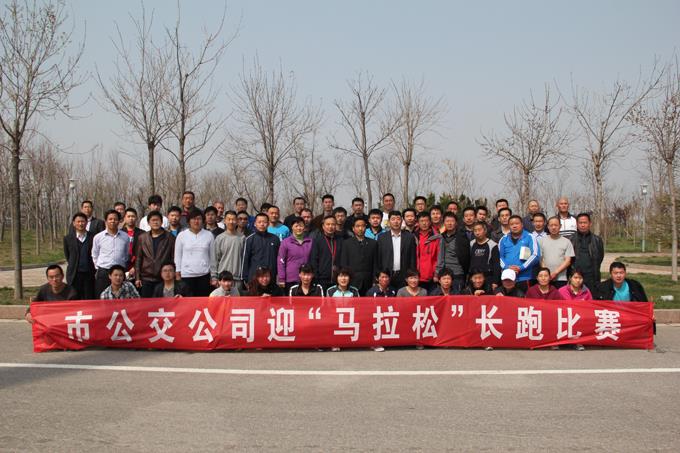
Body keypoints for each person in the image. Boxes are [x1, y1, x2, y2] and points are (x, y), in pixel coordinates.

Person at [134, 210, 176, 298]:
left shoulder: (170, 237)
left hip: (163, 277)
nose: (155, 222)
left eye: (157, 220)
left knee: (163, 304)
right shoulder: (142, 238)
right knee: (147, 304)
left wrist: (173, 275)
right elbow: (138, 258)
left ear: (161, 222)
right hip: (146, 277)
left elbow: (173, 257)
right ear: (148, 223)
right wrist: (137, 277)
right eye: (153, 220)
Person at [175, 208, 215, 297]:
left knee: (202, 302)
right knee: (187, 302)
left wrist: (213, 275)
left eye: (199, 219)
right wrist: (177, 274)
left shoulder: (209, 235)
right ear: (189, 221)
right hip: (186, 275)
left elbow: (212, 257)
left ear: (203, 221)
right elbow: (177, 256)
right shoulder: (181, 235)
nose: (196, 221)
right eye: (193, 219)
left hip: (204, 275)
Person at [92, 209, 130, 298]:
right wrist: (98, 267)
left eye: (115, 219)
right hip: (104, 272)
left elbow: (126, 254)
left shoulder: (125, 237)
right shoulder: (98, 237)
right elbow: (95, 254)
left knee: (120, 297)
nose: (113, 221)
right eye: (110, 219)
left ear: (119, 221)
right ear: (106, 221)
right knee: (102, 297)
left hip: (119, 272)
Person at [498, 215, 540, 292]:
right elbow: (499, 257)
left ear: (522, 224)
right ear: (509, 226)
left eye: (517, 223)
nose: (514, 226)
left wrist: (521, 268)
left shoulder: (530, 237)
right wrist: (507, 268)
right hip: (508, 278)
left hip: (525, 277)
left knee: (524, 299)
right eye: (512, 224)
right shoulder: (503, 239)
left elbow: (535, 255)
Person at [376, 211, 417, 289]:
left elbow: (412, 258)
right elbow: (379, 257)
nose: (396, 222)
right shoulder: (382, 237)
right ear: (389, 222)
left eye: (398, 219)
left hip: (404, 275)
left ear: (402, 221)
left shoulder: (409, 237)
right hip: (387, 275)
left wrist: (411, 275)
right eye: (393, 219)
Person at [339, 217, 377, 295]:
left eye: (363, 226)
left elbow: (375, 264)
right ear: (353, 228)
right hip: (352, 281)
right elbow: (344, 263)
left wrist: (375, 280)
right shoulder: (346, 243)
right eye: (357, 226)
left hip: (368, 281)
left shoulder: (373, 243)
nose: (360, 228)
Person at [63, 212, 96, 300]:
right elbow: (68, 255)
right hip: (74, 275)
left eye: (83, 221)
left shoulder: (93, 237)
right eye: (78, 222)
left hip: (89, 274)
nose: (80, 224)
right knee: (74, 298)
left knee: (89, 298)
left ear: (86, 223)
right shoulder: (68, 238)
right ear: (74, 223)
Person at [242, 213, 281, 286]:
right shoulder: (250, 239)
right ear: (255, 224)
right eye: (259, 222)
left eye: (264, 222)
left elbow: (279, 258)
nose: (262, 224)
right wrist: (245, 277)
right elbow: (245, 259)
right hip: (254, 277)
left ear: (268, 223)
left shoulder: (275, 239)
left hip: (270, 277)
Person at [211, 210, 246, 291]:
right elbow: (215, 259)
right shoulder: (219, 238)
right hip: (223, 279)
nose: (231, 222)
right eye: (229, 219)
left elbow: (245, 259)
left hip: (237, 279)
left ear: (237, 221)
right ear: (225, 221)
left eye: (233, 219)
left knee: (236, 299)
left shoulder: (242, 238)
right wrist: (214, 277)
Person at [436, 212, 470, 293]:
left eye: (452, 221)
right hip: (444, 274)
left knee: (457, 297)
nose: (449, 223)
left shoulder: (462, 237)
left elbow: (466, 257)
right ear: (444, 223)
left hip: (457, 273)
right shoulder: (441, 237)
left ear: (456, 223)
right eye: (447, 221)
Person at [570, 213, 604, 292]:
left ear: (590, 223)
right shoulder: (570, 239)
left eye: (585, 222)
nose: (582, 225)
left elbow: (600, 257)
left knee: (591, 297)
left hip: (592, 276)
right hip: (576, 276)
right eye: (580, 223)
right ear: (577, 224)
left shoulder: (597, 240)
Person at [277, 217, 313, 291]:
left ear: (304, 227)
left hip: (307, 279)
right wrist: (281, 278)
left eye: (301, 226)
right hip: (291, 279)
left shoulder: (310, 242)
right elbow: (281, 261)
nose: (299, 228)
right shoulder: (285, 242)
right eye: (296, 226)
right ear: (292, 227)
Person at [539, 216, 575, 288]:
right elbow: (540, 259)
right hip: (545, 278)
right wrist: (547, 273)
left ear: (560, 226)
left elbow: (568, 261)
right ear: (548, 227)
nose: (553, 227)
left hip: (561, 278)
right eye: (551, 225)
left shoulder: (566, 242)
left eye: (556, 225)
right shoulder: (542, 241)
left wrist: (556, 272)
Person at [309, 215, 343, 290]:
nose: (330, 226)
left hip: (338, 279)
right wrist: (316, 277)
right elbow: (314, 260)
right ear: (323, 226)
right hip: (322, 279)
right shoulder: (317, 241)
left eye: (333, 224)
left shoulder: (340, 240)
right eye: (328, 224)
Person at [414, 211, 441, 293]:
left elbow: (439, 257)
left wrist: (436, 273)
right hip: (417, 276)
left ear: (430, 222)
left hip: (432, 277)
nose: (424, 223)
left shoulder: (436, 237)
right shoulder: (414, 236)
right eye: (422, 221)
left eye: (426, 221)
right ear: (418, 223)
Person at [470, 221, 501, 288]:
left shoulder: (492, 245)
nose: (477, 232)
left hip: (488, 278)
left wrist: (495, 282)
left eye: (479, 230)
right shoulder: (471, 244)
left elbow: (496, 265)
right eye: (475, 230)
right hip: (474, 278)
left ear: (485, 231)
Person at [121, 208, 144, 278]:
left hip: (137, 265)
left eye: (133, 216)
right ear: (124, 218)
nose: (131, 218)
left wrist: (135, 267)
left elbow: (144, 252)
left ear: (136, 218)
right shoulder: (120, 233)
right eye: (128, 216)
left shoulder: (142, 234)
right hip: (122, 265)